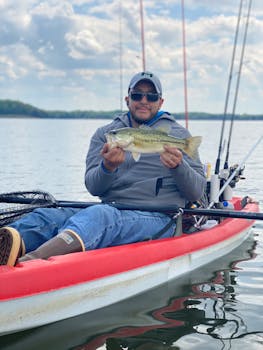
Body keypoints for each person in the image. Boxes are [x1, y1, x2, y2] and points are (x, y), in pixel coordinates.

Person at [0, 71, 206, 266]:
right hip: (114, 208)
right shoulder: (107, 134)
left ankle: (29, 264)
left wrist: (179, 167)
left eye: (151, 96)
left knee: (100, 216)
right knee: (48, 215)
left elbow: (196, 192)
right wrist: (107, 167)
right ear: (128, 99)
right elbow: (93, 187)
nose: (144, 100)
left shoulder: (179, 136)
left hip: (160, 217)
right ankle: (8, 244)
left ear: (160, 102)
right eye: (137, 95)